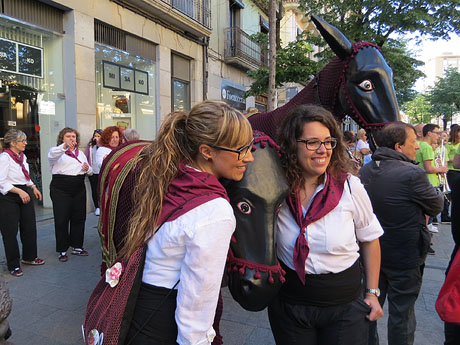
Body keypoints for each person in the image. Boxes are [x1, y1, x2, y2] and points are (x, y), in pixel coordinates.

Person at [120, 100, 254, 344]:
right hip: (165, 321)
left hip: (140, 309)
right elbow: (197, 300)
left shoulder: (170, 179)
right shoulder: (215, 211)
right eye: (241, 149)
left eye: (250, 147)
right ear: (207, 151)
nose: (249, 158)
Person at [267, 104, 384, 345]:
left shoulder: (350, 187)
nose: (323, 150)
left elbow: (370, 239)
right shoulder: (275, 188)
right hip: (290, 306)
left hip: (344, 308)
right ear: (292, 145)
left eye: (328, 141)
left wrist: (372, 293)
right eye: (312, 142)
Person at [360, 122, 443, 345]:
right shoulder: (412, 173)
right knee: (402, 314)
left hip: (372, 255)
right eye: (413, 141)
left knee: (369, 308)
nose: (417, 146)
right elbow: (436, 206)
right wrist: (437, 193)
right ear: (398, 146)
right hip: (404, 256)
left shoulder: (367, 169)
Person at [0, 129, 44, 277]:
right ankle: (13, 265)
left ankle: (29, 257)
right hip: (8, 195)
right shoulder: (4, 158)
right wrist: (19, 191)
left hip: (24, 190)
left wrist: (33, 187)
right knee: (10, 231)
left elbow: (24, 175)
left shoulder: (21, 156)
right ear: (13, 143)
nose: (26, 143)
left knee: (29, 226)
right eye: (22, 141)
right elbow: (1, 181)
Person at [48, 127, 93, 262]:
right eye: (68, 136)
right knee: (62, 219)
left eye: (73, 136)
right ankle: (62, 249)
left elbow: (90, 171)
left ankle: (77, 246)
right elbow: (53, 155)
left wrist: (87, 168)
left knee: (79, 217)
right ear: (62, 138)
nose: (71, 138)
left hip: (78, 186)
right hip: (61, 188)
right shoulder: (56, 151)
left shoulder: (80, 154)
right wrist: (64, 146)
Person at [415, 124, 448, 238]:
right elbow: (429, 168)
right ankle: (423, 238)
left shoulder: (421, 145)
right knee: (426, 215)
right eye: (437, 133)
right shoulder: (427, 147)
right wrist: (441, 169)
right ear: (429, 133)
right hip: (429, 182)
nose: (439, 136)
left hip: (423, 181)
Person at [85, 129, 102, 216]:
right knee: (94, 190)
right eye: (95, 136)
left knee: (101, 190)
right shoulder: (91, 146)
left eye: (99, 136)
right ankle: (97, 207)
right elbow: (86, 156)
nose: (96, 138)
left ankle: (102, 206)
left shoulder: (103, 147)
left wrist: (99, 143)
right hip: (93, 171)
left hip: (101, 171)